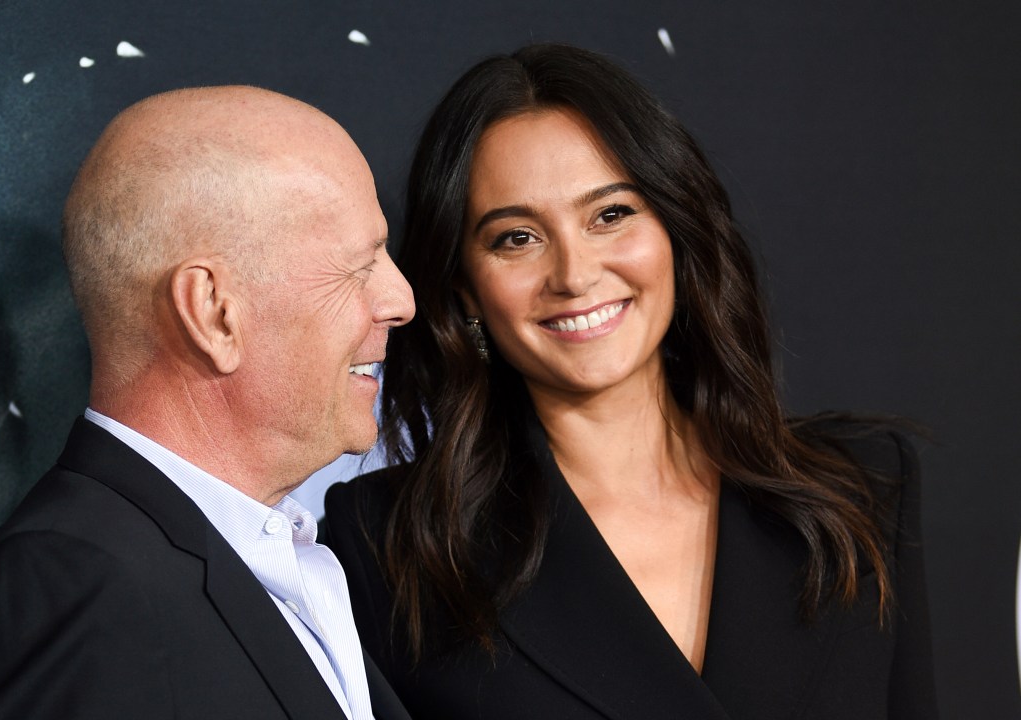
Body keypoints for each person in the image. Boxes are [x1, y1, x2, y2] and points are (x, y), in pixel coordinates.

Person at [322, 43, 938, 720]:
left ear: (675, 227)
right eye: (516, 238)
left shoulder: (861, 489)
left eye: (610, 215)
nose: (575, 275)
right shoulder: (393, 547)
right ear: (464, 288)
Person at [0, 86, 415, 720]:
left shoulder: (270, 561)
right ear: (214, 314)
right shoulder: (70, 587)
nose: (401, 299)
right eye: (359, 266)